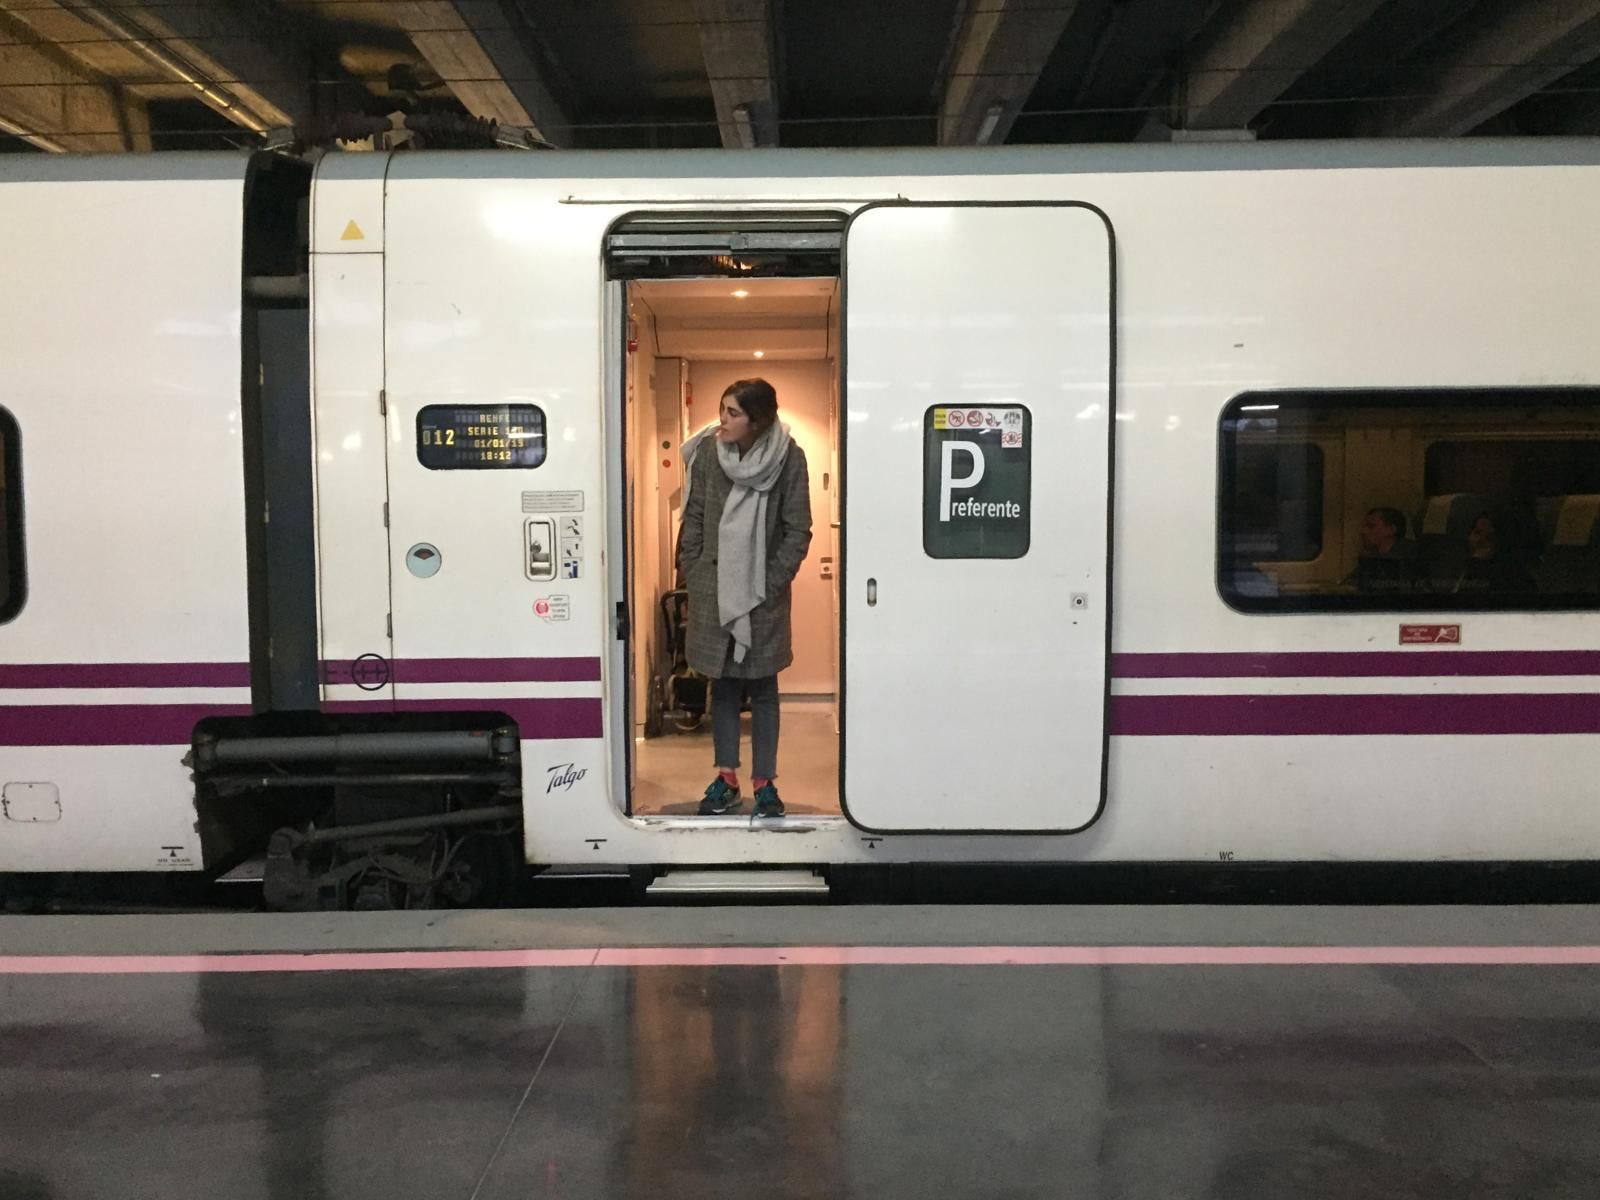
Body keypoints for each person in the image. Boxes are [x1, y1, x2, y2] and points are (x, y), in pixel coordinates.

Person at [677, 379, 812, 818]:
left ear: (758, 420)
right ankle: (727, 779)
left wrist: (768, 583)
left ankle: (764, 783)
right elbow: (694, 517)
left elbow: (797, 530)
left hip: (762, 594)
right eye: (722, 409)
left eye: (733, 413)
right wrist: (697, 572)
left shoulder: (789, 458)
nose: (723, 419)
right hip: (713, 588)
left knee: (764, 686)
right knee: (723, 685)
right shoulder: (708, 454)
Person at [1351, 506, 1419, 594]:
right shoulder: (1371, 556)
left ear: (1391, 530)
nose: (1363, 531)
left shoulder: (1410, 555)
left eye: (1371, 526)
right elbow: (1353, 582)